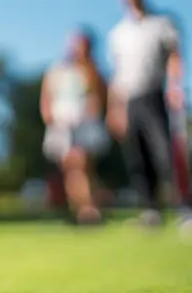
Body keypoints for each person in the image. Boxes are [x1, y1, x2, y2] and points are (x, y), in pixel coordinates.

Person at [106, 0, 186, 227]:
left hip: (156, 96)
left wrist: (174, 86)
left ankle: (185, 209)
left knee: (166, 154)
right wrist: (115, 108)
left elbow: (174, 56)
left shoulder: (163, 23)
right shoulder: (118, 33)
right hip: (129, 100)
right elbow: (117, 74)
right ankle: (151, 211)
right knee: (139, 159)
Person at [40, 27, 109, 225]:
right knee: (71, 169)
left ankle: (88, 209)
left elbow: (99, 95)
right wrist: (49, 116)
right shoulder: (57, 69)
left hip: (85, 123)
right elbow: (46, 96)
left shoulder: (92, 69)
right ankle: (82, 209)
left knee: (82, 165)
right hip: (61, 125)